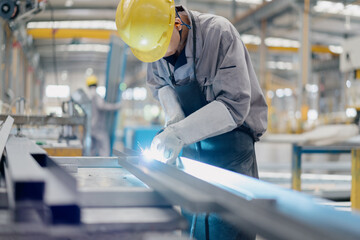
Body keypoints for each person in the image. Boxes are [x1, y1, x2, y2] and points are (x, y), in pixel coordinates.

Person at [116, 1, 267, 239]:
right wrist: (175, 119)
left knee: (227, 226)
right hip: (190, 148)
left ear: (176, 22)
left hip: (231, 148)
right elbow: (159, 84)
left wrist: (178, 133)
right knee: (193, 227)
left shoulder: (219, 34)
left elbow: (234, 105)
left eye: (162, 47)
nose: (161, 56)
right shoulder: (153, 44)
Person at [86, 75, 122, 156]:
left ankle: (90, 166)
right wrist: (116, 106)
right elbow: (101, 106)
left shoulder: (87, 96)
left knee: (91, 149)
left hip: (90, 127)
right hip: (98, 127)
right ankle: (105, 165)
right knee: (104, 148)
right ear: (96, 84)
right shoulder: (96, 95)